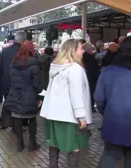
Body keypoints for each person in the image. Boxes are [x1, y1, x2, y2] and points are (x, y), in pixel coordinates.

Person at [40, 39, 92, 168]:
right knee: (74, 146)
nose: (83, 51)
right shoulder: (75, 69)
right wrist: (81, 117)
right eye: (80, 48)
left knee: (54, 143)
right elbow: (77, 95)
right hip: (69, 116)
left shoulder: (56, 66)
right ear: (72, 51)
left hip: (53, 114)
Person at [95, 36, 131, 168]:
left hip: (114, 121)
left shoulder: (108, 71)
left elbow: (99, 99)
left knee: (110, 156)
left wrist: (109, 112)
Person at [3, 41, 42, 152]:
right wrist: (39, 96)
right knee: (32, 118)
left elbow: (11, 78)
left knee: (17, 118)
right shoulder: (35, 64)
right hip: (30, 94)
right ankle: (32, 143)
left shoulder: (14, 62)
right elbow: (37, 84)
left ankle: (19, 144)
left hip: (15, 93)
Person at [0, 31, 26, 130]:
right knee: (17, 104)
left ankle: (3, 122)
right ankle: (15, 126)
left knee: (8, 102)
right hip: (19, 83)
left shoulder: (4, 51)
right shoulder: (23, 53)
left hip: (6, 82)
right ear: (23, 41)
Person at [82, 43, 100, 112]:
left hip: (88, 77)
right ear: (88, 49)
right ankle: (91, 107)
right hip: (91, 78)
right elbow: (93, 69)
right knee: (91, 93)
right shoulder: (90, 58)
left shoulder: (84, 57)